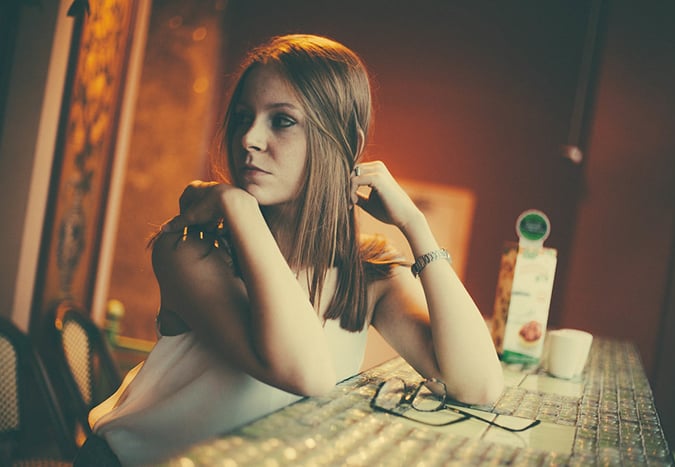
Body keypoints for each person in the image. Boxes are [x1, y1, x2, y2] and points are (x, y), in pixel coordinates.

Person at [79, 33, 504, 466]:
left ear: (347, 141)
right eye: (244, 117)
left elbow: (478, 387)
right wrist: (239, 208)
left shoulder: (366, 270)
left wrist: (416, 226)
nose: (249, 138)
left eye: (281, 120)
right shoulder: (192, 249)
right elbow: (308, 373)